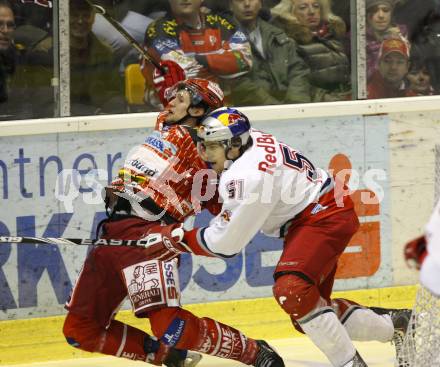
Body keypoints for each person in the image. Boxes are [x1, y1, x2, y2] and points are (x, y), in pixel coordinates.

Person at [145, 106, 413, 366]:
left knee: (292, 290)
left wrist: (175, 238)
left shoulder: (247, 175)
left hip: (323, 215)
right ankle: (398, 326)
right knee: (308, 311)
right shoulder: (250, 140)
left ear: (234, 145)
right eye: (203, 145)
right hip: (323, 209)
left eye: (211, 147)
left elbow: (226, 243)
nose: (204, 154)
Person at [63, 78, 284, 367]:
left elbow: (220, 199)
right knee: (79, 331)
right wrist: (175, 77)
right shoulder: (166, 126)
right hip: (112, 234)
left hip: (148, 236)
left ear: (197, 111)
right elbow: (174, 104)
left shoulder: (205, 150)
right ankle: (168, 356)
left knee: (171, 327)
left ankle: (254, 352)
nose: (170, 103)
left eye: (179, 100)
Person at [142, 0, 252, 107]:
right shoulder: (157, 29)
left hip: (221, 106)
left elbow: (245, 59)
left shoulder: (224, 23)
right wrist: (221, 66)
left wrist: (203, 60)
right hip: (168, 107)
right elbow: (182, 72)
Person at [228, 0, 312, 105]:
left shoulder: (278, 34)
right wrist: (275, 108)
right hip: (252, 110)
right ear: (231, 6)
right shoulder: (224, 38)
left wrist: (296, 105)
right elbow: (239, 84)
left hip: (291, 106)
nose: (247, 4)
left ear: (261, 4)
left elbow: (298, 71)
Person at [270, 0, 351, 102]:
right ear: (290, 13)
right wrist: (324, 98)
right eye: (303, 8)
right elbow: (292, 84)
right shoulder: (288, 42)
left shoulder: (332, 36)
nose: (312, 12)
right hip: (313, 105)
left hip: (344, 101)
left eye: (316, 6)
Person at [366, 0, 408, 80]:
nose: (381, 15)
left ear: (391, 14)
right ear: (367, 15)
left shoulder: (403, 34)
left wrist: (396, 42)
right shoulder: (357, 37)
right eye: (374, 11)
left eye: (385, 10)